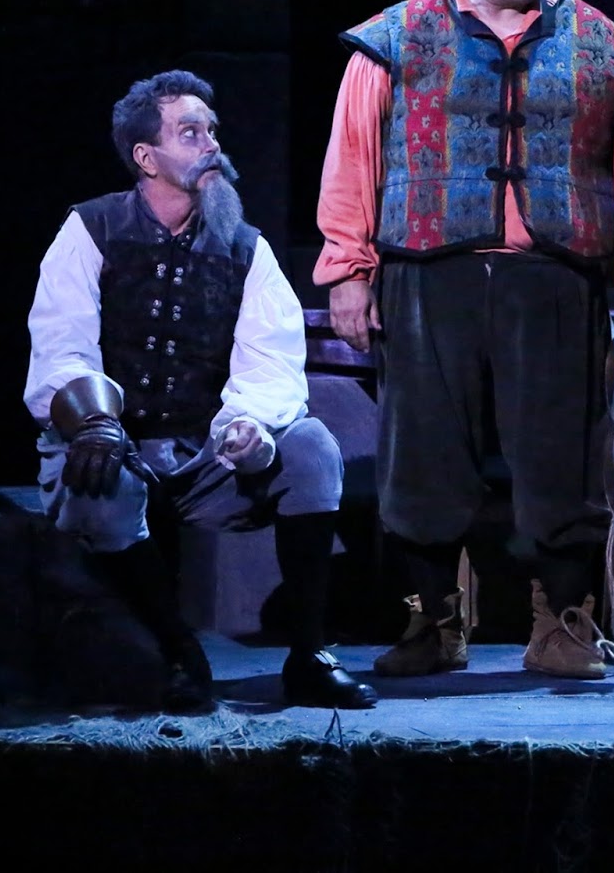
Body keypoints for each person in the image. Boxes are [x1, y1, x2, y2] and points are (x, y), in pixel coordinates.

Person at [315, 0, 614, 682]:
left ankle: (565, 626)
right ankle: (431, 624)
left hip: (553, 277)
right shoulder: (398, 37)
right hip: (428, 275)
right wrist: (347, 269)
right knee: (424, 457)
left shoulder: (599, 41)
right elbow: (353, 155)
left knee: (564, 459)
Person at [26, 70, 378, 712]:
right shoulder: (91, 228)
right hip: (114, 445)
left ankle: (309, 655)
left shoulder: (245, 247)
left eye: (212, 130)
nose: (211, 143)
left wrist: (247, 423)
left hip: (203, 454)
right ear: (146, 157)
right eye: (189, 132)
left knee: (311, 448)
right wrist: (95, 422)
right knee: (101, 482)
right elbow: (61, 342)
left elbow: (271, 358)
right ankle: (179, 651)